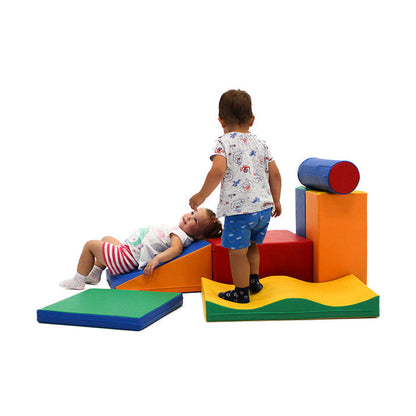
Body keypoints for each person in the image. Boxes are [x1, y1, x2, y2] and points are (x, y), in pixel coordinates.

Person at [189, 89, 282, 303]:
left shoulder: (223, 142)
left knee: (236, 252)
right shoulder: (261, 143)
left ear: (221, 121)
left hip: (240, 211)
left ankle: (241, 292)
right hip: (263, 210)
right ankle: (253, 282)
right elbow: (275, 173)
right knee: (251, 245)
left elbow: (218, 171)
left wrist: (201, 197)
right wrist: (276, 200)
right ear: (252, 119)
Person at [59, 208, 222, 290]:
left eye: (194, 219)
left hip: (128, 259)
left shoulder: (180, 237)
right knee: (106, 239)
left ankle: (78, 281)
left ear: (200, 235)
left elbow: (176, 250)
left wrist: (156, 259)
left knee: (90, 245)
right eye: (192, 212)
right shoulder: (181, 232)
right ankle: (94, 275)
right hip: (128, 251)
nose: (188, 216)